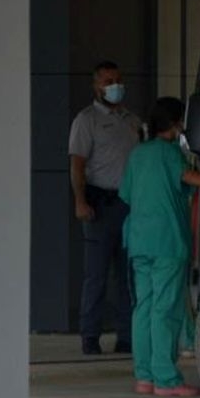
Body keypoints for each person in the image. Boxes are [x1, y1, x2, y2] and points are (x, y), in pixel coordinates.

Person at [120, 97, 200, 397]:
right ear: (176, 124)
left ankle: (144, 377)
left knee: (144, 308)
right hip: (168, 242)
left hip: (139, 241)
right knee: (165, 309)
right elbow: (189, 178)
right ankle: (166, 379)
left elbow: (126, 194)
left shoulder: (138, 154)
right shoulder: (171, 153)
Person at [68, 60, 142, 355]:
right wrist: (80, 200)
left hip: (129, 205)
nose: (115, 86)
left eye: (118, 80)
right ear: (96, 86)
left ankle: (125, 336)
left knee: (126, 276)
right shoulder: (86, 121)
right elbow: (77, 164)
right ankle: (90, 336)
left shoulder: (132, 120)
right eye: (108, 81)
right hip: (99, 204)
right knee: (96, 275)